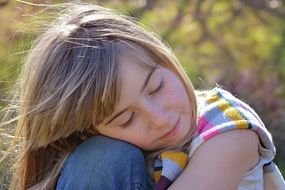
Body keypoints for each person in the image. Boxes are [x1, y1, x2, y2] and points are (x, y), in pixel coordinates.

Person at [1, 3, 284, 190]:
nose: (159, 119)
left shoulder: (228, 128)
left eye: (157, 87)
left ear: (164, 56)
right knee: (99, 159)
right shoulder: (110, 155)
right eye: (127, 119)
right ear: (89, 130)